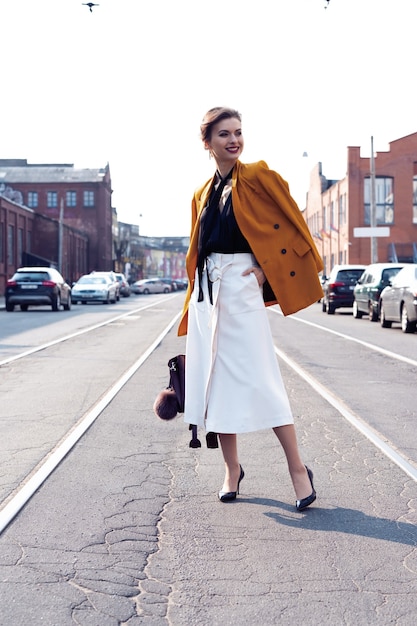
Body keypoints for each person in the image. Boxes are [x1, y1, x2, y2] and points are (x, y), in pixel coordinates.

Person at [178, 107, 324, 510]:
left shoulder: (258, 175)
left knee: (263, 379)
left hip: (242, 286)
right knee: (215, 384)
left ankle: (298, 470)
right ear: (207, 143)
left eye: (238, 132)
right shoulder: (201, 193)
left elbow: (294, 221)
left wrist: (265, 270)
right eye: (224, 134)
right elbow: (198, 249)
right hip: (209, 294)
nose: (234, 140)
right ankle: (232, 469)